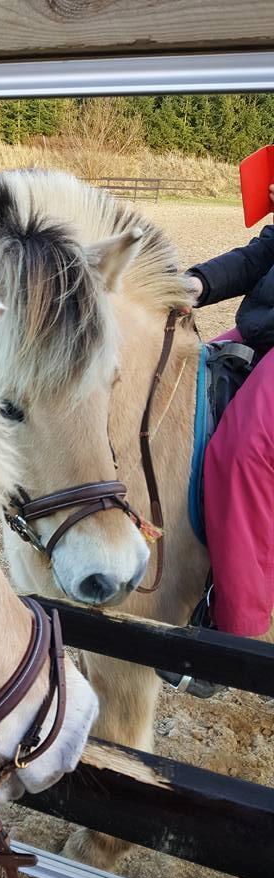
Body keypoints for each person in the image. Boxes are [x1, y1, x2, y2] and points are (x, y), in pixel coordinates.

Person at [186, 183, 274, 637]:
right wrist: (196, 283)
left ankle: (236, 629)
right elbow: (259, 256)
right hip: (261, 331)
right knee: (182, 375)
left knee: (242, 451)